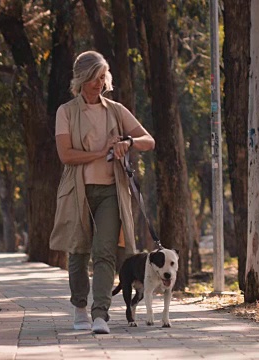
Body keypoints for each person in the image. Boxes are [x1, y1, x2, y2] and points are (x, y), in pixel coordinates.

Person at [49, 51, 155, 334]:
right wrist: (100, 152)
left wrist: (127, 142)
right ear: (81, 79)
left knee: (105, 251)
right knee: (79, 252)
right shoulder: (66, 112)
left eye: (102, 77)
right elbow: (66, 154)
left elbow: (149, 140)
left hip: (111, 192)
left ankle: (100, 315)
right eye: (93, 78)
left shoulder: (116, 110)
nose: (99, 83)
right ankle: (80, 307)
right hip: (78, 192)